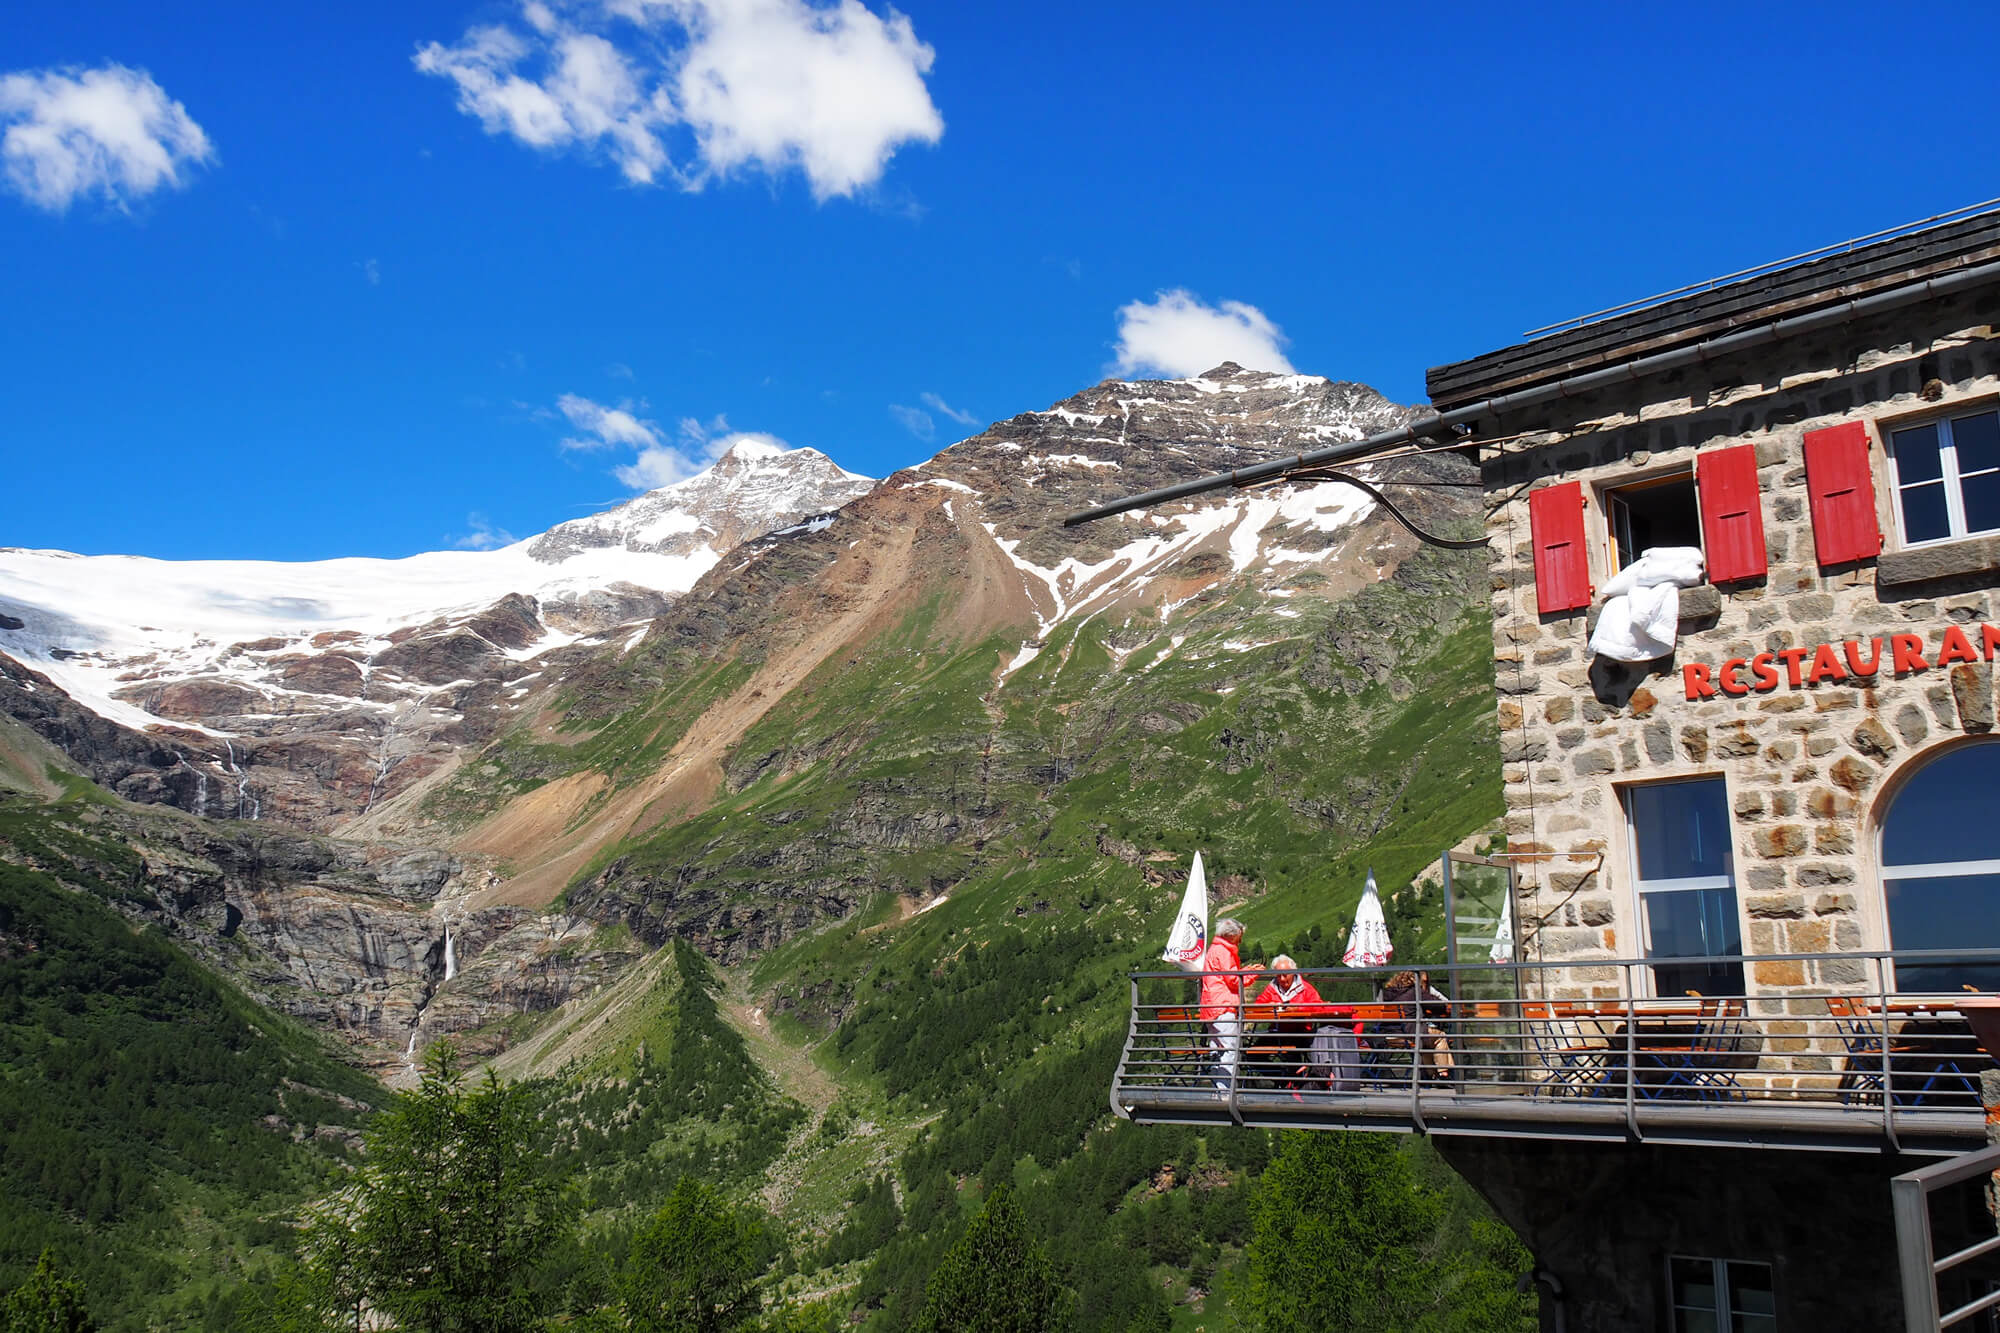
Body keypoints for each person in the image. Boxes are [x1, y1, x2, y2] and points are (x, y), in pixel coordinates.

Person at [1199, 918, 1260, 1091]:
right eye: (1239, 936)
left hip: (1211, 1006)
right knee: (1229, 1048)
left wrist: (1246, 971)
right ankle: (1226, 1091)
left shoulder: (1214, 950)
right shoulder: (1225, 952)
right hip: (1223, 1005)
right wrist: (1252, 974)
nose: (1240, 940)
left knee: (1216, 1049)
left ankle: (1217, 1089)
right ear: (1231, 935)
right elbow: (1233, 980)